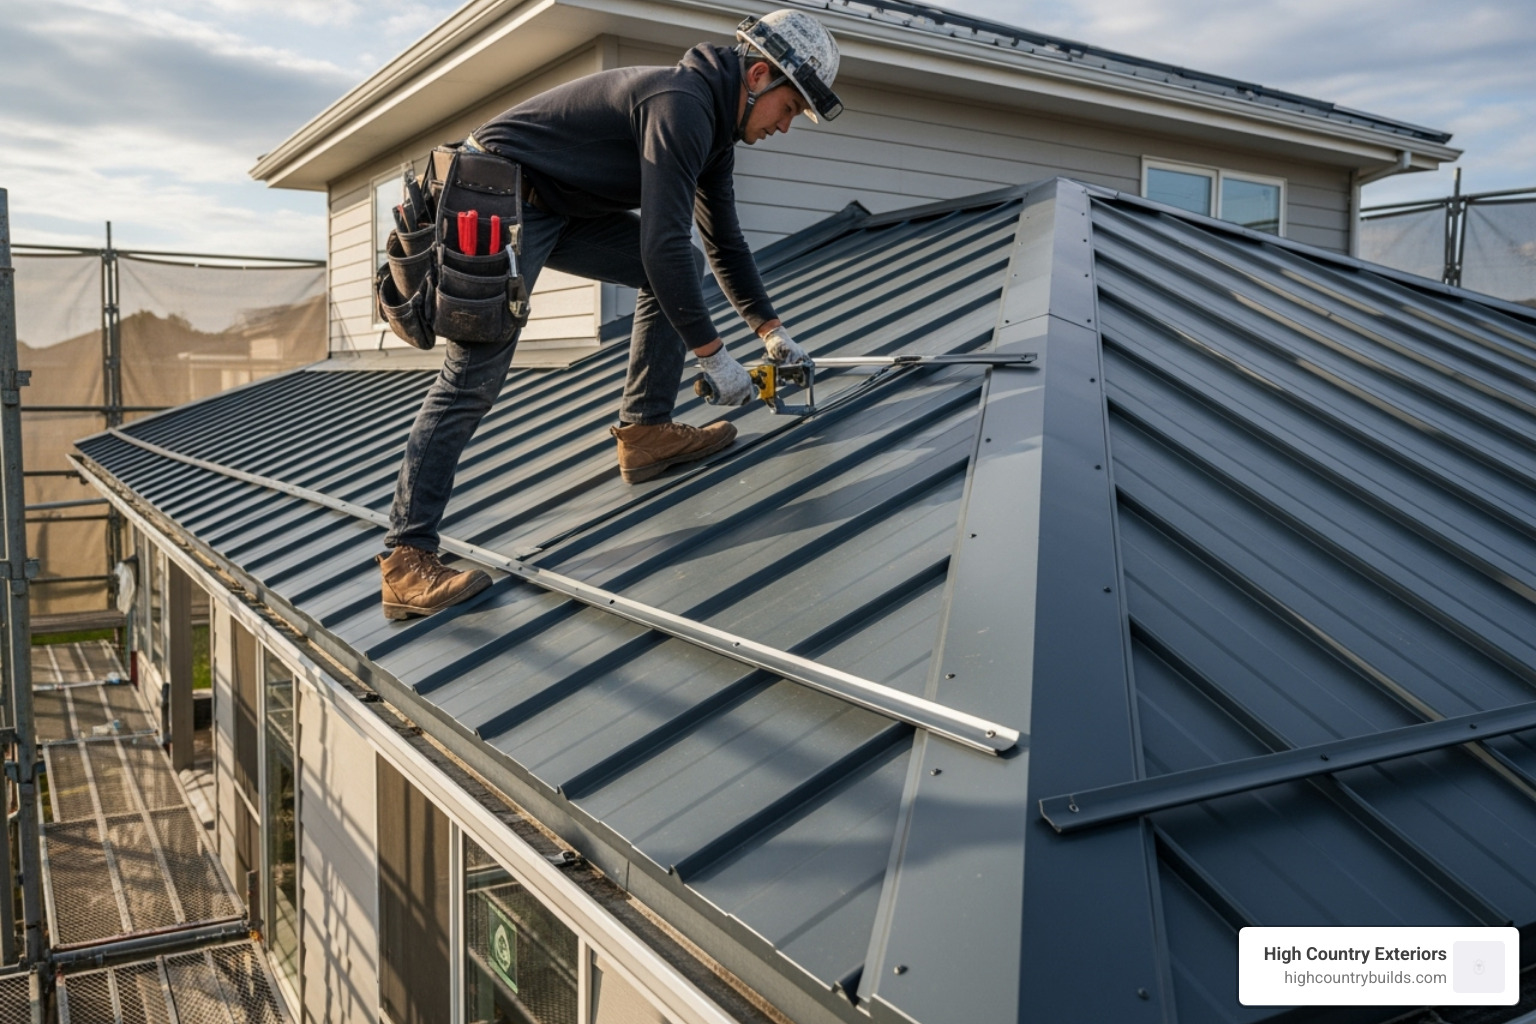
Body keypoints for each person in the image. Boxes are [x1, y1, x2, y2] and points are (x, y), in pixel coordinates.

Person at [377, 9, 844, 620]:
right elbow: (662, 241)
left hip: (557, 202)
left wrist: (771, 331)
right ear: (758, 76)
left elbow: (722, 241)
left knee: (684, 268)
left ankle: (645, 432)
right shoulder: (680, 104)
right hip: (495, 194)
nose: (785, 125)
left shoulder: (712, 131)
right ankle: (406, 557)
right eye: (789, 108)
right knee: (473, 377)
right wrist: (713, 356)